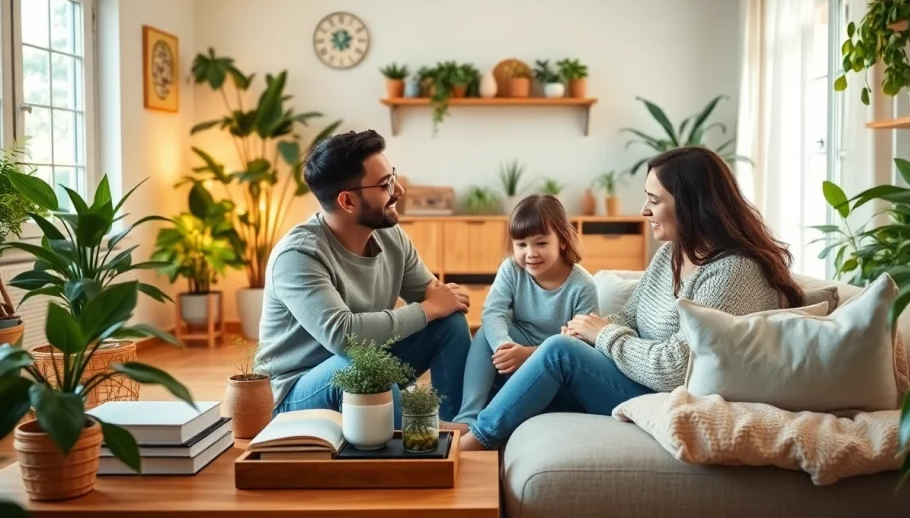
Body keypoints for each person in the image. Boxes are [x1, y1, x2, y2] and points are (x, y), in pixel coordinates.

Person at [458, 147, 804, 450]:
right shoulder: (671, 254)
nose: (644, 210)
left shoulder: (731, 273)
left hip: (666, 396)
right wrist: (586, 331)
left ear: (690, 206)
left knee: (558, 353)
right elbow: (631, 318)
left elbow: (677, 368)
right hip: (636, 378)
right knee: (532, 353)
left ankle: (477, 440)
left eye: (654, 201)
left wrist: (603, 335)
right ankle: (461, 420)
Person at [259, 129, 472, 428]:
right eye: (386, 184)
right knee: (362, 364)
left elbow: (435, 296)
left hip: (366, 361)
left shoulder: (390, 234)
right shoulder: (297, 256)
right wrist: (428, 309)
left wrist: (443, 303)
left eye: (393, 177)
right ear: (347, 201)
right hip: (297, 392)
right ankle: (423, 437)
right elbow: (343, 336)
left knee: (448, 324)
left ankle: (462, 428)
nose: (398, 191)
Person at [452, 195, 599, 426]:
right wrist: (504, 346)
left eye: (541, 243)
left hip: (555, 362)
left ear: (562, 240)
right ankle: (467, 418)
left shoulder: (583, 286)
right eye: (521, 245)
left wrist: (528, 354)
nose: (530, 253)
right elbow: (493, 313)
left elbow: (582, 344)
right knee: (484, 334)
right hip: (515, 348)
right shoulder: (511, 269)